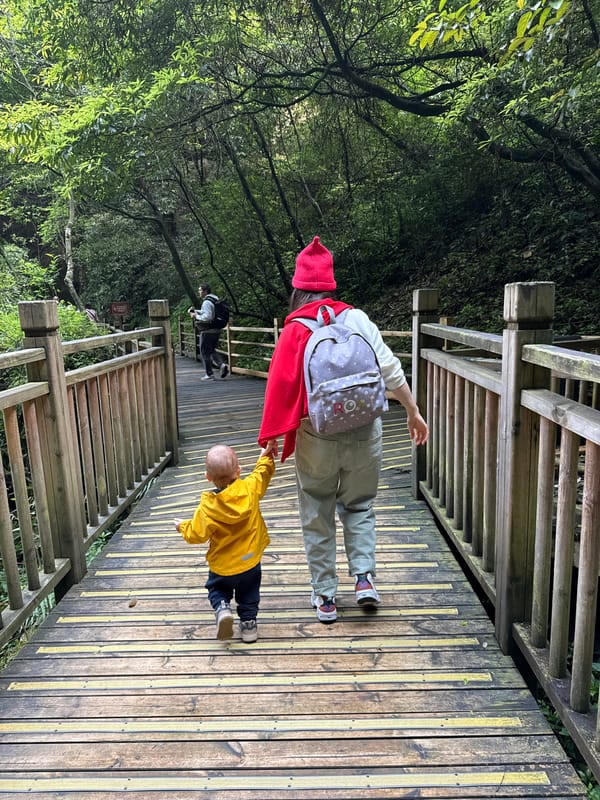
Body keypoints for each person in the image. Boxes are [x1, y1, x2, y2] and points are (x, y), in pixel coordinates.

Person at [258, 236, 428, 624]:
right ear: (332, 283)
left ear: (298, 287)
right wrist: (412, 411)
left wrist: (269, 439)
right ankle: (365, 579)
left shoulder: (295, 330)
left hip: (316, 435)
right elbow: (390, 369)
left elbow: (279, 389)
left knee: (317, 509)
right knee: (360, 504)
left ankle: (325, 596)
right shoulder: (357, 319)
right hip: (366, 428)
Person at [174, 443, 275, 642]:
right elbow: (262, 473)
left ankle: (222, 608)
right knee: (249, 592)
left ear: (208, 477)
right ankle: (248, 626)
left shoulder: (208, 507)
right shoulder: (249, 488)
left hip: (223, 566)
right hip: (250, 560)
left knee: (217, 589)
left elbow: (197, 534)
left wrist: (182, 526)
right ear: (238, 471)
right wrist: (266, 455)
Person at [189, 284, 228, 380]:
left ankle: (209, 374)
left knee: (204, 352)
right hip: (216, 329)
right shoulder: (214, 299)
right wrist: (197, 311)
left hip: (208, 330)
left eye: (200, 290)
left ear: (205, 291)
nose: (199, 292)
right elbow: (209, 312)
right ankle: (222, 365)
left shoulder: (207, 302)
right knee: (211, 350)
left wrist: (195, 316)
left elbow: (207, 317)